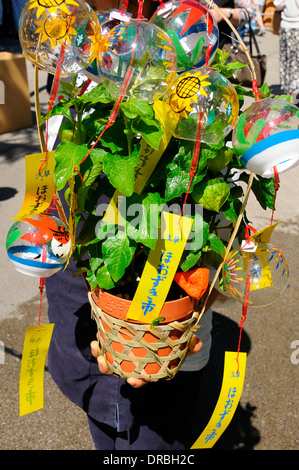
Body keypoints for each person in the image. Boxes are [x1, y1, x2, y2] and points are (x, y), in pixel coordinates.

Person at [45, 0, 231, 450]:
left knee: (156, 434)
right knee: (119, 429)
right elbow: (58, 176)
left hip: (167, 317)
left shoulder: (188, 37)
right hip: (97, 320)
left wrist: (210, 272)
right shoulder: (76, 40)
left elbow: (216, 185)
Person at [273, 0, 299, 97]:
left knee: (290, 60)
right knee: (290, 60)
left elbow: (278, 5)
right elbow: (277, 5)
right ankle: (290, 91)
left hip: (291, 25)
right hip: (287, 25)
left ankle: (291, 90)